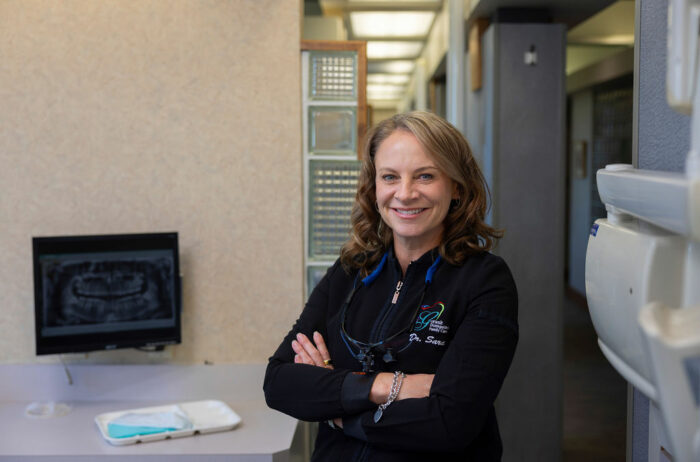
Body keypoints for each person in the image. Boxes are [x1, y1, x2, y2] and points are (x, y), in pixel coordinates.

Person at [264, 111, 518, 461]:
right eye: (390, 177)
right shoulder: (350, 271)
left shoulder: (485, 281)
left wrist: (337, 409)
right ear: (374, 187)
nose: (405, 193)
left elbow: (450, 422)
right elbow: (278, 383)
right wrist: (387, 386)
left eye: (425, 176)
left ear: (456, 186)